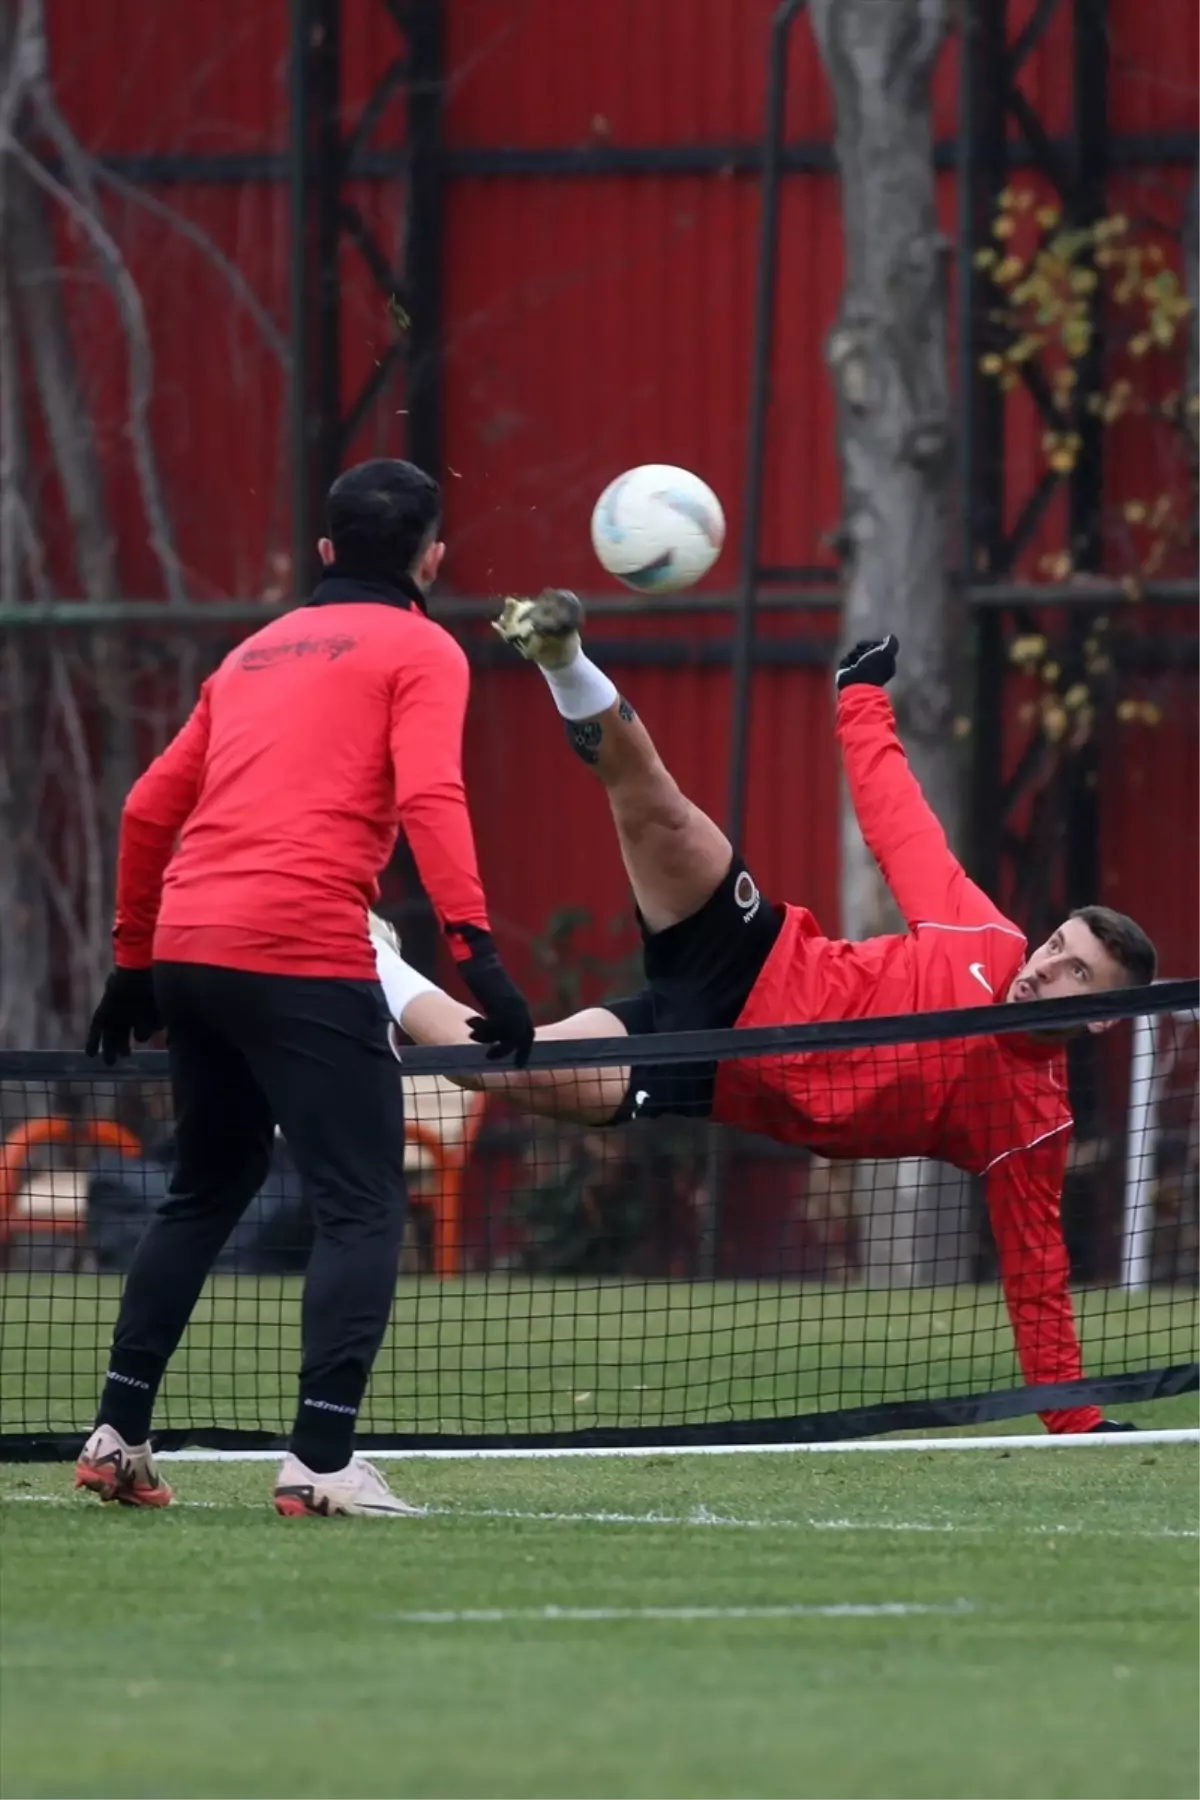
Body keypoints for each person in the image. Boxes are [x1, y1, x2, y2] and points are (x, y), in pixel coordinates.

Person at [377, 591, 1158, 1436]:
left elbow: (1035, 1270)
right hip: (753, 951)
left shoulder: (1033, 1125)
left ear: (1104, 1017)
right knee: (658, 805)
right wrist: (859, 698)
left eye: (1077, 972)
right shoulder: (983, 935)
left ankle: (364, 954)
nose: (1045, 968)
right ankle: (562, 655)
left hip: (706, 1063)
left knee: (498, 1066)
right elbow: (899, 825)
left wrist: (1072, 1415)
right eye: (1055, 946)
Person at [76, 459, 534, 1518]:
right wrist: (483, 964)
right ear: (434, 560)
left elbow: (149, 809)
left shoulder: (251, 653)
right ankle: (321, 1463)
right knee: (365, 1202)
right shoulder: (424, 646)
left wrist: (133, 964)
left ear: (325, 553)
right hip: (298, 948)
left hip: (191, 942)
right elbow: (430, 794)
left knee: (205, 1187)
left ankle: (118, 1433)